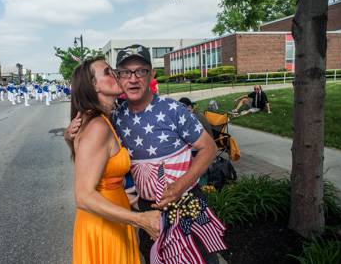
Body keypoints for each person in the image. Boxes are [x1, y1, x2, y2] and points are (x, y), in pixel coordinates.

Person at [67, 45, 226, 263]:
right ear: (119, 77)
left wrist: (181, 185)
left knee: (201, 259)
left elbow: (209, 147)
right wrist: (71, 136)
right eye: (124, 72)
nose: (133, 79)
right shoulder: (114, 114)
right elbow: (90, 143)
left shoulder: (173, 110)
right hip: (147, 209)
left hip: (186, 204)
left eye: (140, 71)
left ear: (151, 74)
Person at [70, 56, 160, 264]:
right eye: (108, 72)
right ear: (94, 86)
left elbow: (100, 172)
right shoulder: (98, 127)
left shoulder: (103, 119)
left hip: (114, 215)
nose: (116, 74)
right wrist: (140, 219)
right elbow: (83, 196)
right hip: (103, 226)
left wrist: (125, 197)